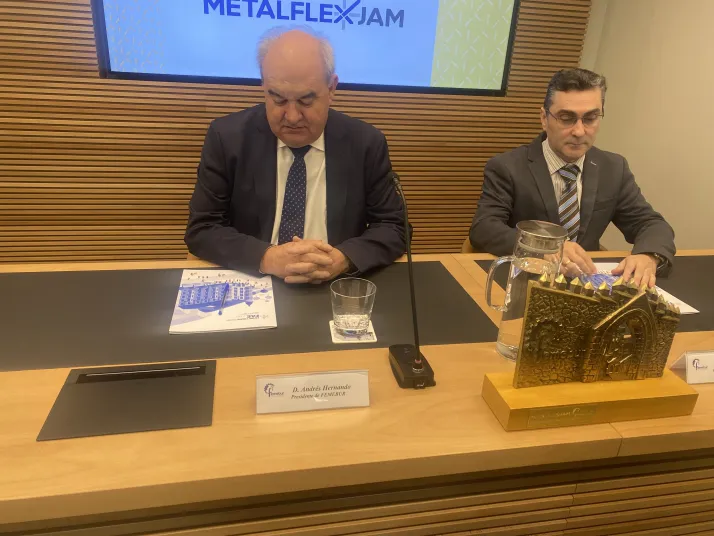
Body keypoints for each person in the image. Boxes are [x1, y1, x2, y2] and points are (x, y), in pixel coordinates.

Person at [185, 28, 405, 283]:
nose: (291, 117)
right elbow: (203, 229)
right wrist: (267, 258)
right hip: (255, 282)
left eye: (306, 101)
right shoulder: (228, 138)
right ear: (264, 86)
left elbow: (394, 227)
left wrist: (342, 259)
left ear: (332, 88)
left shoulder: (365, 144)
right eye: (278, 99)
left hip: (335, 283)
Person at [469, 68, 675, 288]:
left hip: (585, 285)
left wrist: (649, 256)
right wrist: (546, 248)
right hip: (522, 282)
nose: (579, 131)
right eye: (566, 118)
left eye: (590, 118)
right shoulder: (507, 167)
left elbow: (650, 224)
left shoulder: (613, 168)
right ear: (544, 119)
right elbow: (485, 228)